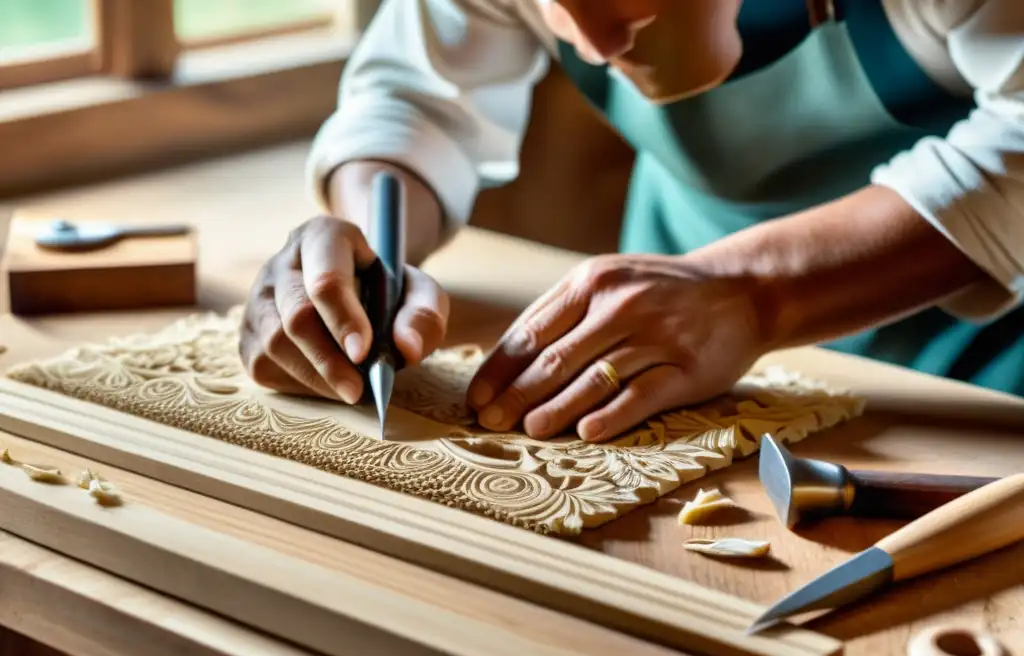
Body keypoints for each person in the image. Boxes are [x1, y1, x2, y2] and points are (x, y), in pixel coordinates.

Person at [240, 0, 1024, 443]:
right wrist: (365, 251)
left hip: (980, 394)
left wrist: (749, 293)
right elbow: (415, 100)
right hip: (674, 357)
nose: (598, 42)